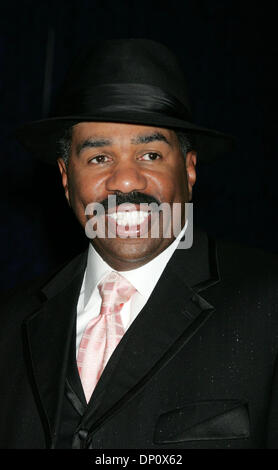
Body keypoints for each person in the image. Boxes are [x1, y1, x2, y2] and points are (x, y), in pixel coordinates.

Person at [1, 39, 278, 449]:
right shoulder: (8, 325)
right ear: (65, 177)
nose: (126, 181)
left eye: (149, 155)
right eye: (99, 158)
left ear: (189, 169)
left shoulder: (269, 304)